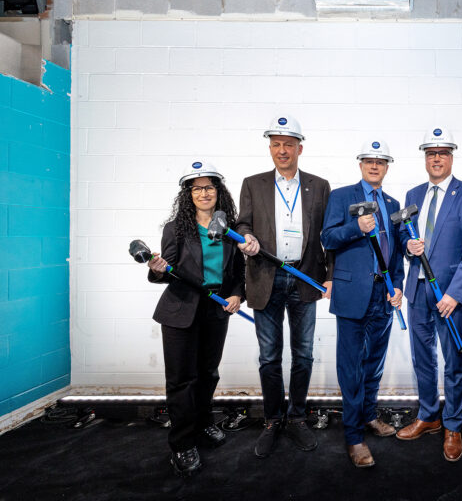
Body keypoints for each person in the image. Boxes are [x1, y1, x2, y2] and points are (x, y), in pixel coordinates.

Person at [235, 114, 333, 458]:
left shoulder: (319, 185)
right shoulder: (253, 184)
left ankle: (297, 417)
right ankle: (273, 419)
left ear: (299, 148)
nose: (282, 150)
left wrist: (330, 275)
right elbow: (243, 222)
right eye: (276, 144)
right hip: (266, 276)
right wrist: (246, 236)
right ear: (270, 148)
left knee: (303, 354)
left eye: (288, 145)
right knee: (269, 355)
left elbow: (329, 234)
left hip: (305, 277)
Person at [146, 161, 245, 477]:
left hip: (216, 308)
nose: (204, 193)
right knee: (182, 380)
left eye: (209, 187)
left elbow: (238, 272)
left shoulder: (229, 228)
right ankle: (182, 443)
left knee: (208, 374)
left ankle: (203, 424)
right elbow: (167, 271)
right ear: (188, 195)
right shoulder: (175, 228)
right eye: (197, 188)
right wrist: (157, 269)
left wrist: (237, 295)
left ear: (218, 191)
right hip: (180, 310)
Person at [395, 127, 462, 462]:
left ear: (451, 157)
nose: (437, 159)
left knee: (454, 361)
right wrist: (408, 245)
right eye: (431, 153)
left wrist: (455, 294)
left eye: (443, 153)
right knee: (422, 358)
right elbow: (404, 238)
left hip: (450, 296)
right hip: (418, 290)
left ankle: (453, 425)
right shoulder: (414, 194)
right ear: (425, 158)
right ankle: (429, 415)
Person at [321, 139, 405, 468]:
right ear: (360, 165)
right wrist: (356, 227)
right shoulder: (342, 196)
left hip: (383, 296)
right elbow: (327, 238)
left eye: (380, 162)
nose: (374, 166)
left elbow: (395, 252)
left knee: (375, 363)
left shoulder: (392, 202)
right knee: (351, 367)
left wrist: (397, 286)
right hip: (352, 295)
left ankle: (369, 415)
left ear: (386, 167)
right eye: (369, 161)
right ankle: (354, 436)